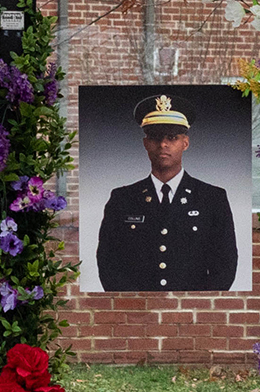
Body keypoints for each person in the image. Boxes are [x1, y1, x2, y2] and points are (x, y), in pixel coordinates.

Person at [94, 94, 239, 291]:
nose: (163, 144)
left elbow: (225, 265)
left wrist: (199, 304)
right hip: (138, 307)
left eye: (172, 137)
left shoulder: (212, 198)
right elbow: (108, 263)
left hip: (192, 307)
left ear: (185, 143)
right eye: (155, 137)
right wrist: (132, 303)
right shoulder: (123, 199)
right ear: (145, 143)